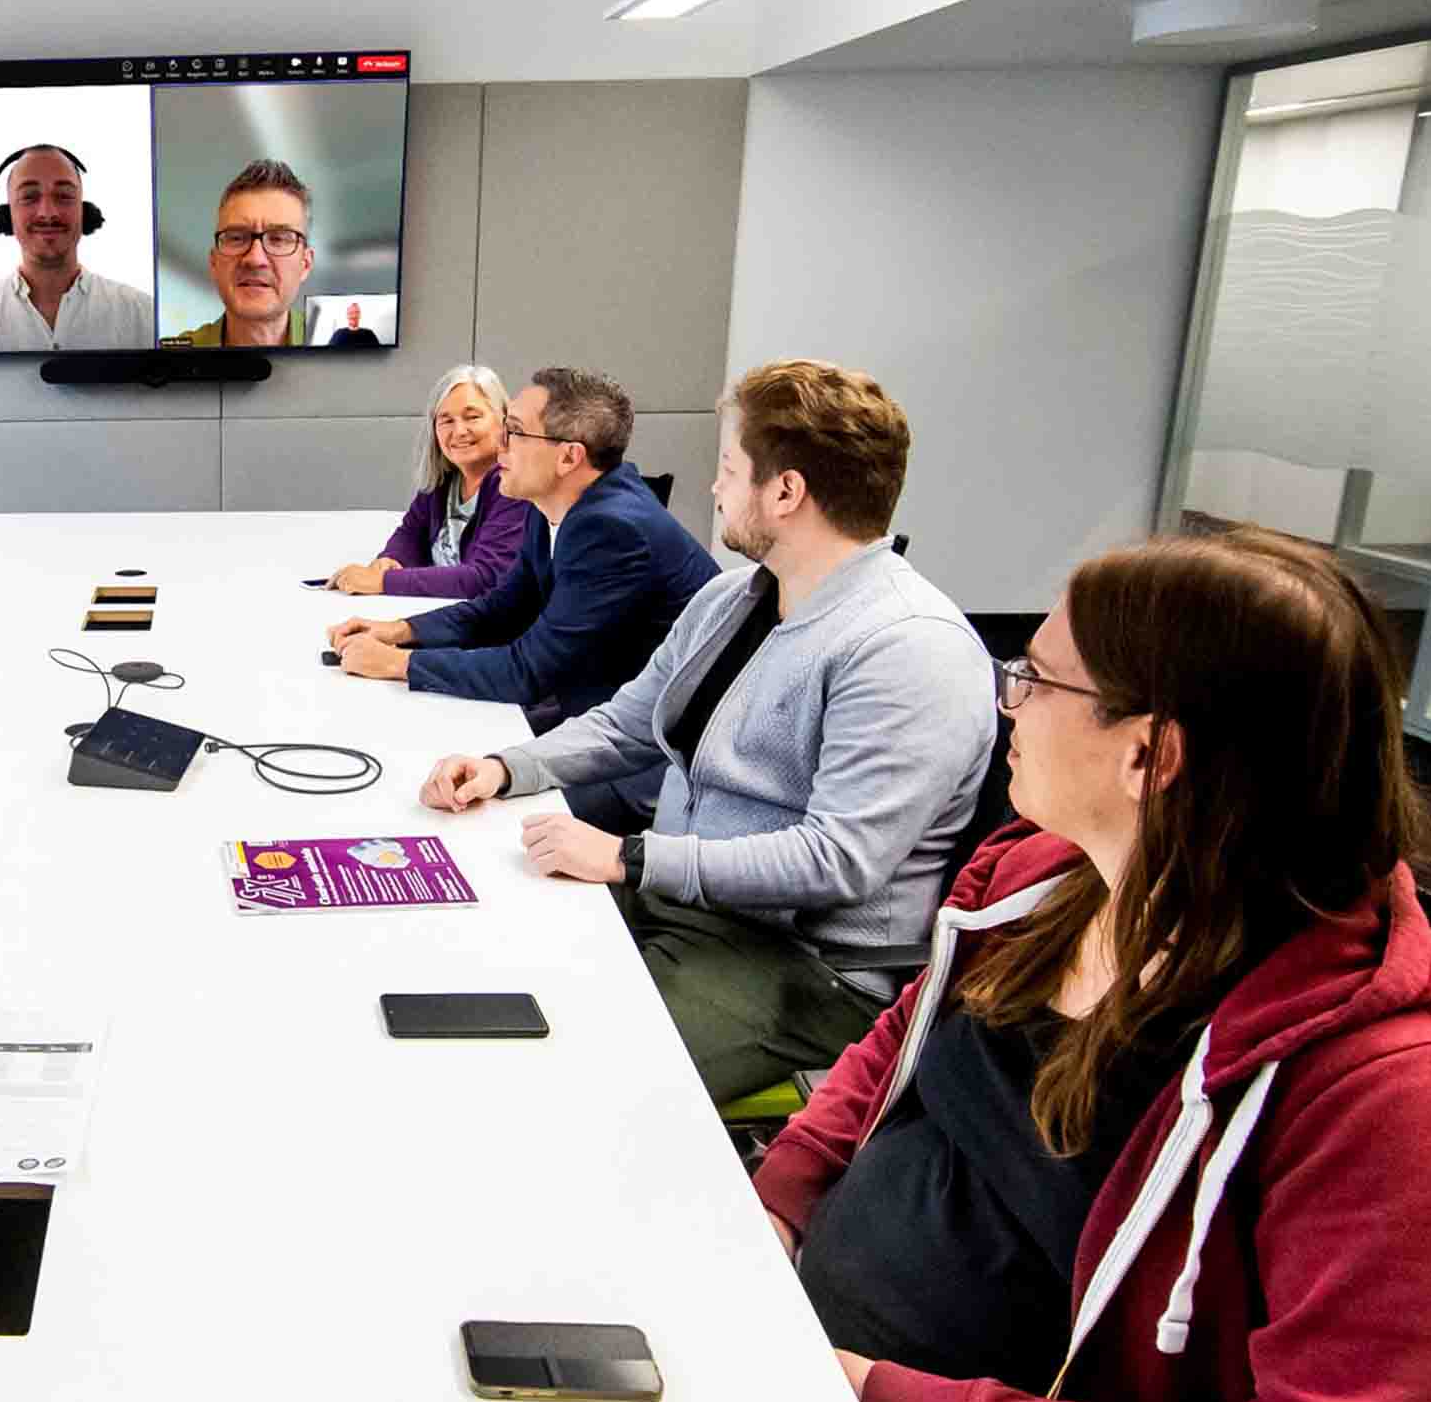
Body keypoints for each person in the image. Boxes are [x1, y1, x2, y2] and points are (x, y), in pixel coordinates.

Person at [755, 528, 1431, 1402]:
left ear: (1151, 752)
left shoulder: (1404, 1100)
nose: (1006, 703)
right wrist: (777, 1204)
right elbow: (905, 1040)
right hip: (812, 1368)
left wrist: (875, 1401)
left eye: (1034, 675)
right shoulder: (1038, 880)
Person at [418, 361, 997, 1103]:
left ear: (785, 492)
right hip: (692, 907)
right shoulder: (736, 599)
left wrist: (632, 855)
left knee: (555, 1079)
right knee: (474, 942)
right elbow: (632, 722)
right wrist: (505, 766)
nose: (716, 488)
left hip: (803, 968)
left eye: (729, 469)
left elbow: (836, 860)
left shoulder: (911, 649)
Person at [327, 365, 717, 732]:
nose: (500, 444)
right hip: (595, 705)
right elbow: (501, 608)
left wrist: (401, 664)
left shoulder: (612, 529)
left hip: (655, 743)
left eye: (513, 431)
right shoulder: (548, 502)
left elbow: (530, 672)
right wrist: (400, 631)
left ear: (569, 456)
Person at [322, 365, 533, 600]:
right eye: (446, 420)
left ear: (504, 419)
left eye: (472, 417)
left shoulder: (515, 488)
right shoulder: (443, 482)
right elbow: (410, 535)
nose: (459, 431)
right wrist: (388, 561)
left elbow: (486, 578)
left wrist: (383, 581)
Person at [0, 145, 155, 352]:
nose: (47, 212)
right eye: (29, 197)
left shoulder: (142, 313)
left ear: (84, 212)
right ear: (7, 216)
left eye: (63, 196)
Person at [163, 159, 321, 349]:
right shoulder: (168, 363)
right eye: (237, 238)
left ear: (305, 264)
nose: (255, 259)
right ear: (214, 262)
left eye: (278, 239)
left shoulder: (344, 357)